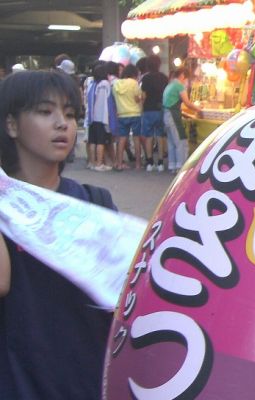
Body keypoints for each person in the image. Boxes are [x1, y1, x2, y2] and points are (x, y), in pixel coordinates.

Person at [0, 70, 116, 399]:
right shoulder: (4, 204)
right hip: (18, 380)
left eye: (70, 114)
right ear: (11, 125)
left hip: (87, 377)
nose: (62, 124)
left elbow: (123, 290)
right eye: (44, 111)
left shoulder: (94, 201)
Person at [162, 67, 201, 174]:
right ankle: (181, 167)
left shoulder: (170, 85)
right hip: (173, 117)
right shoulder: (179, 86)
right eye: (186, 78)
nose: (186, 81)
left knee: (171, 142)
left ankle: (173, 165)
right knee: (180, 142)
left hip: (166, 116)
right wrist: (198, 109)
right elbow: (187, 103)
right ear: (182, 75)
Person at [112, 64, 143, 170]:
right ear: (134, 74)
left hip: (121, 114)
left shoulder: (116, 84)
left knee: (122, 139)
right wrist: (141, 98)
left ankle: (119, 163)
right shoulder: (134, 83)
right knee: (136, 139)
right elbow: (137, 98)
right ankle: (138, 164)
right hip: (135, 113)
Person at [140, 55, 168, 172]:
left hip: (148, 109)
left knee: (149, 137)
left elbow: (143, 96)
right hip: (160, 109)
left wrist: (141, 108)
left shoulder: (145, 78)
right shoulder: (164, 77)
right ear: (159, 64)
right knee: (160, 136)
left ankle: (149, 162)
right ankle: (161, 162)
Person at [84, 63, 114, 171]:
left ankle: (92, 162)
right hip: (102, 117)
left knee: (92, 141)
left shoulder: (92, 84)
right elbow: (107, 100)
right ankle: (99, 163)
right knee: (101, 141)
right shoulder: (105, 84)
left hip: (91, 117)